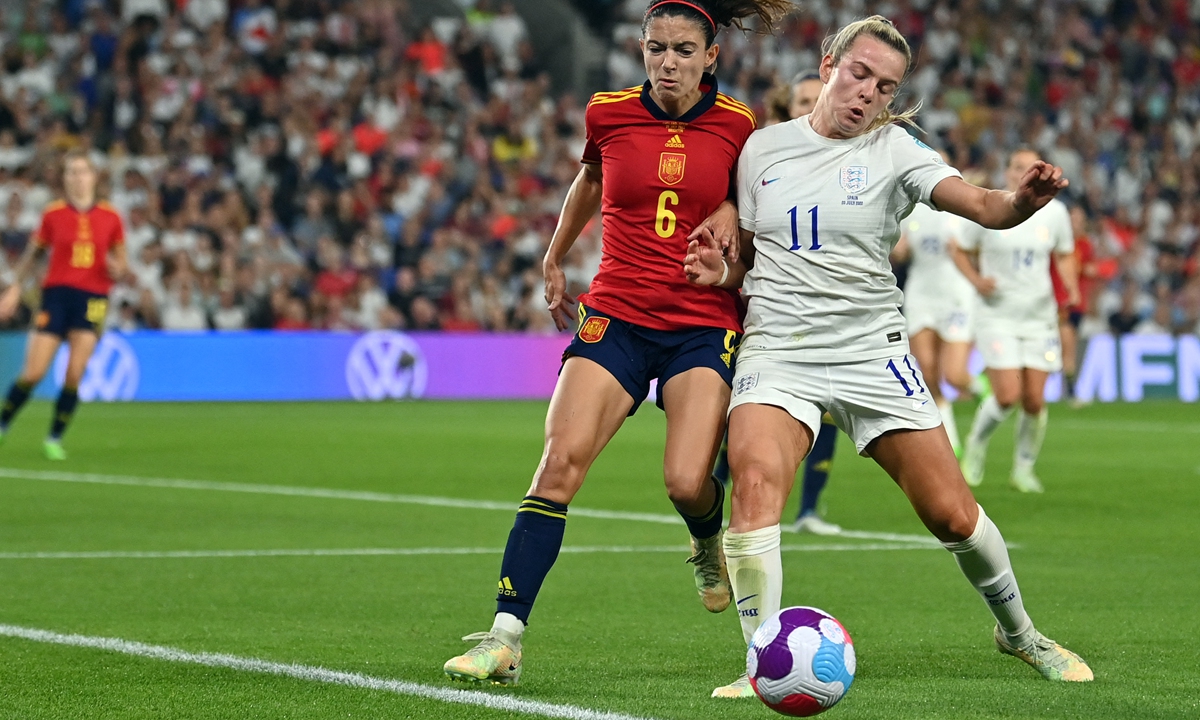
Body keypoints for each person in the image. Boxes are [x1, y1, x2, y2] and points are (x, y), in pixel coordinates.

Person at [684, 17, 1092, 697]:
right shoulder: (760, 150)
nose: (868, 93)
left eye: (885, 87)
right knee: (754, 485)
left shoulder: (896, 150)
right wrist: (720, 275)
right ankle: (762, 663)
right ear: (829, 64)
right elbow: (750, 261)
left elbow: (983, 206)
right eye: (860, 74)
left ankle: (1021, 634)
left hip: (870, 351)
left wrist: (1020, 203)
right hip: (779, 349)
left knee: (953, 515)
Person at [442, 0, 791, 687]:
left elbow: (755, 208)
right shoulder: (607, 112)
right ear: (641, 49)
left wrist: (729, 208)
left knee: (686, 481)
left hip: (701, 321)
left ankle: (705, 536)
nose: (668, 62)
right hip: (617, 314)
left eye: (684, 51)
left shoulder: (739, 126)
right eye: (656, 48)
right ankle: (505, 637)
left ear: (711, 57)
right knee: (557, 466)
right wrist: (555, 255)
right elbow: (592, 179)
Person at [724, 68, 844, 534]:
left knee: (827, 414)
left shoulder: (848, 163)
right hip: (762, 314)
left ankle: (809, 509)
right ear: (787, 108)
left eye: (819, 98)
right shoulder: (761, 156)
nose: (813, 107)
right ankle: (714, 505)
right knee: (743, 421)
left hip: (825, 318)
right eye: (803, 101)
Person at [955, 149, 1080, 493]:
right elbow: (959, 248)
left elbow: (1064, 254)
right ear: (1008, 172)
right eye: (1017, 167)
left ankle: (1024, 469)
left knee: (1035, 401)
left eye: (1031, 168)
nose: (1023, 172)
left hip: (1038, 316)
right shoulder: (991, 205)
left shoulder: (1055, 213)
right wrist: (976, 280)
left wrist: (1070, 287)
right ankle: (977, 443)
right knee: (1007, 395)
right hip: (997, 314)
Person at [0, 150, 127, 459]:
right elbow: (33, 255)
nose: (77, 178)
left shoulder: (110, 217)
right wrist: (14, 289)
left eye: (82, 171)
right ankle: (3, 423)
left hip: (93, 298)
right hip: (56, 295)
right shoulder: (53, 214)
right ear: (65, 179)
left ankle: (54, 437)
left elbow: (121, 261)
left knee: (74, 373)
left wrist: (118, 268)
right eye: (71, 172)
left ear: (93, 177)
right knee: (33, 372)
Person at [893, 196, 980, 455]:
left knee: (953, 375)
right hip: (921, 294)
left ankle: (981, 388)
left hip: (956, 295)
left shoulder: (960, 207)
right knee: (927, 370)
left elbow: (980, 249)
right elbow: (899, 252)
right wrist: (898, 249)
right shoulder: (909, 211)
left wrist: (966, 252)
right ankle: (951, 439)